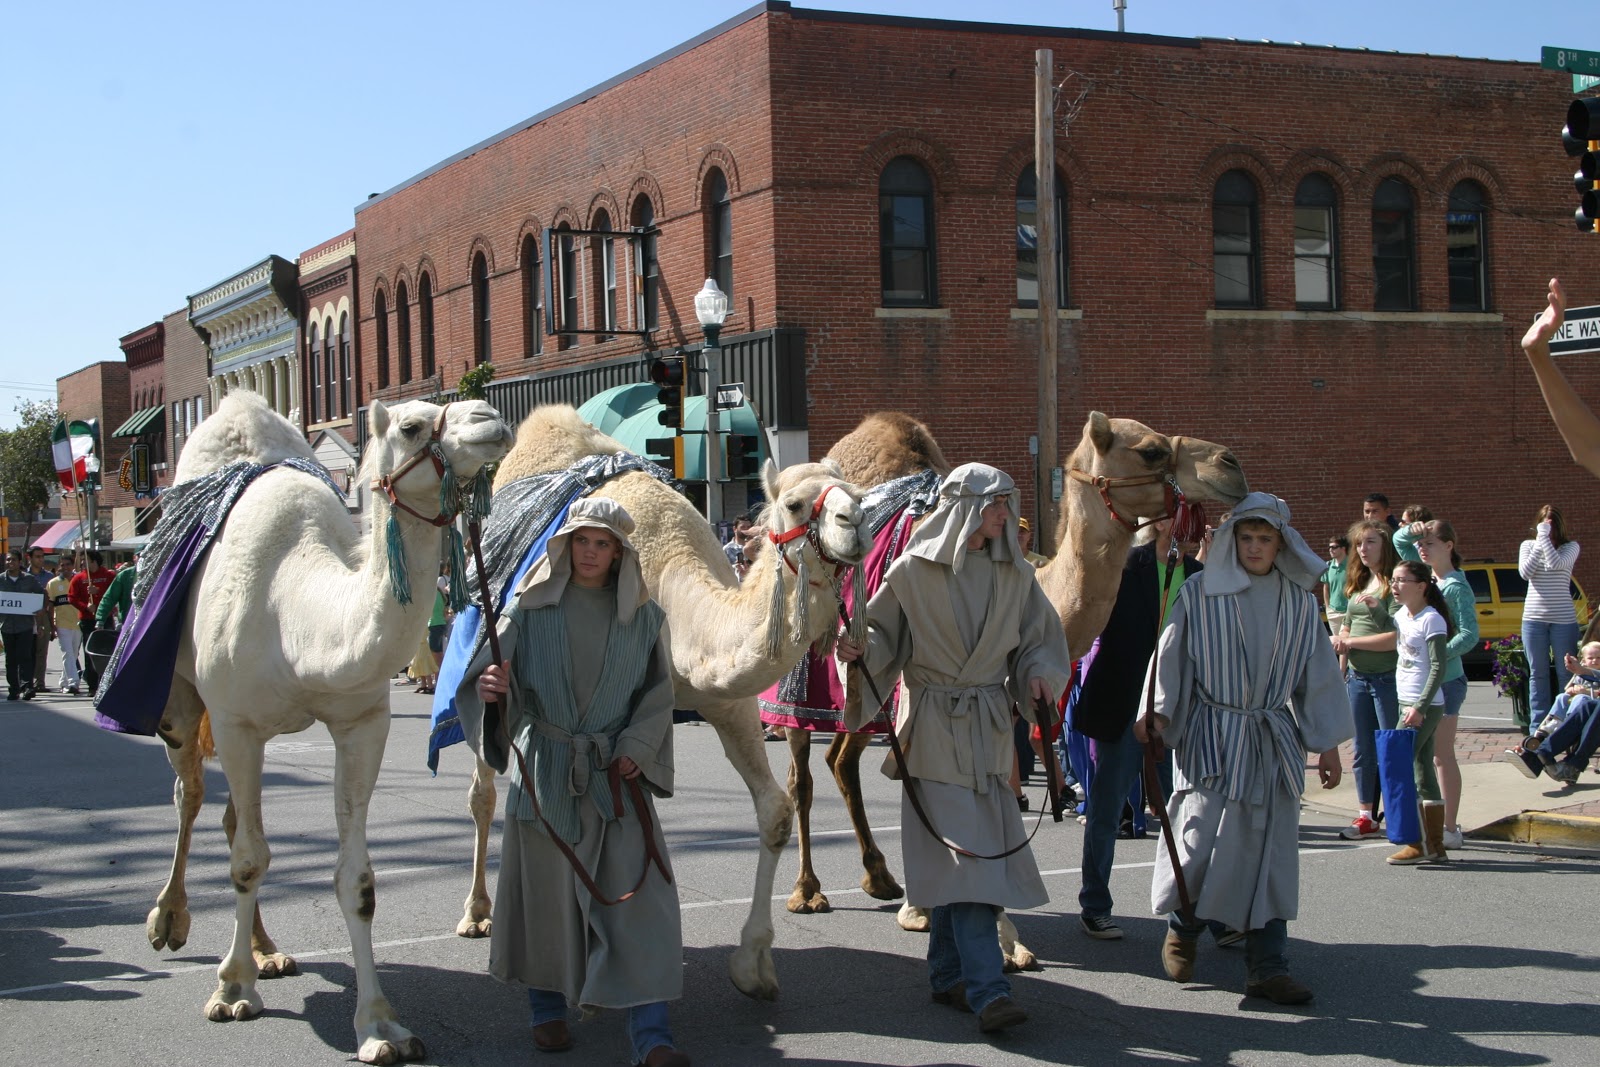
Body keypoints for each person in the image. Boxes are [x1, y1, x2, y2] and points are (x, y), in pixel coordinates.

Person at [835, 463, 1071, 1034]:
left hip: (989, 731)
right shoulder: (911, 572)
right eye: (995, 503)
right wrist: (859, 646)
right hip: (935, 730)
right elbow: (883, 636)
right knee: (968, 861)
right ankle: (990, 992)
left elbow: (1037, 642)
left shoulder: (1017, 576)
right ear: (963, 505)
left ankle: (947, 975)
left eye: (1006, 503)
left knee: (961, 859)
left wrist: (1038, 675)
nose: (1005, 514)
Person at [456, 498, 687, 1067]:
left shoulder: (644, 617)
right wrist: (491, 689)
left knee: (643, 905)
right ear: (566, 546)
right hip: (546, 777)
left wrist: (636, 746)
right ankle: (546, 1013)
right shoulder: (525, 611)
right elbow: (489, 679)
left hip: (615, 778)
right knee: (547, 904)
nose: (590, 552)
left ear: (619, 552)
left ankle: (651, 1037)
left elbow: (659, 697)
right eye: (582, 540)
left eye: (602, 543)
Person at [1138, 494, 1350, 1005]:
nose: (1256, 547)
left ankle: (1267, 966)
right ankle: (1182, 929)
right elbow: (1172, 657)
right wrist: (1157, 715)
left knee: (1270, 856)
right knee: (1198, 844)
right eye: (1247, 538)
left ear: (1281, 544)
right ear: (1233, 540)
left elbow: (1317, 677)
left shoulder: (1300, 603)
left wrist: (1327, 746)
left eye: (1266, 539)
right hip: (1211, 737)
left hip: (1271, 742)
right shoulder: (1199, 592)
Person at [1074, 515, 1200, 941]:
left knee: (1185, 814)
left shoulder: (1203, 576)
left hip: (1180, 712)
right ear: (1160, 522)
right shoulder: (1127, 565)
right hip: (1125, 705)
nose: (1182, 525)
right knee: (1107, 811)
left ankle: (1191, 908)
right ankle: (1095, 904)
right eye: (1174, 516)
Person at [1393, 520, 1478, 849]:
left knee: (1440, 756)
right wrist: (1413, 530)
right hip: (1418, 684)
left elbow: (1469, 634)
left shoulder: (1455, 585)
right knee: (1424, 759)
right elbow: (1399, 543)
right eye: (1421, 543)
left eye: (1429, 542)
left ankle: (1449, 828)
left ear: (1448, 546)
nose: (1422, 548)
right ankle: (1434, 833)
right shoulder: (1422, 578)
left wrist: (1436, 655)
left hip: (1446, 680)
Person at [1330, 521, 1399, 840]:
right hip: (1357, 678)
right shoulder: (1356, 585)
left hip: (1387, 678)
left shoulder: (1394, 585)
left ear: (1384, 546)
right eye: (1359, 544)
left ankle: (1399, 813)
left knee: (1391, 748)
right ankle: (1365, 815)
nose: (1363, 549)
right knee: (1362, 750)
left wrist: (1353, 642)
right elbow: (1347, 629)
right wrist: (1342, 657)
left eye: (1370, 542)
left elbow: (1397, 638)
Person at [1385, 559, 1454, 865]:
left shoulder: (1432, 619)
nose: (1395, 586)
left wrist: (1420, 707)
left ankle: (1417, 843)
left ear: (1421, 586)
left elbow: (1438, 667)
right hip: (1406, 701)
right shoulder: (1401, 615)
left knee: (1397, 764)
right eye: (1393, 580)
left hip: (1423, 704)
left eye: (1401, 581)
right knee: (1422, 768)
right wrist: (1375, 606)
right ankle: (1435, 845)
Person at [1518, 505, 1580, 728]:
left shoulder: (1570, 547)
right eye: (1544, 525)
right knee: (1538, 674)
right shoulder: (1528, 545)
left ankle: (1567, 724)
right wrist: (1539, 541)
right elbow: (1525, 573)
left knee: (1566, 673)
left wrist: (1544, 538)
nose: (1548, 530)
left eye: (1552, 526)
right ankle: (1538, 727)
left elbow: (1555, 564)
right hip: (1534, 619)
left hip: (1563, 619)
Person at [67, 550, 115, 695]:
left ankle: (107, 683)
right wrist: (85, 606)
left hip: (105, 618)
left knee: (107, 652)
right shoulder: (78, 578)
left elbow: (113, 595)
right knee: (90, 653)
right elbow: (72, 598)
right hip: (87, 620)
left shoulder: (109, 576)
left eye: (85, 560)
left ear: (94, 561)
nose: (82, 563)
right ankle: (92, 686)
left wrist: (98, 592)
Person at [1, 550, 46, 701]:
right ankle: (14, 689)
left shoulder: (29, 579)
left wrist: (41, 609)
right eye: (8, 560)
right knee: (10, 660)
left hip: (25, 626)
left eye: (13, 560)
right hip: (7, 626)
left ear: (19, 562)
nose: (10, 563)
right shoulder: (1, 579)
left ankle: (27, 687)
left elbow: (42, 594)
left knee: (25, 658)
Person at [44, 562, 82, 695]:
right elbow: (50, 606)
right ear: (59, 567)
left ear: (73, 566)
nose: (66, 568)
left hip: (78, 623)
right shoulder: (53, 583)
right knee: (68, 653)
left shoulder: (79, 580)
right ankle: (73, 682)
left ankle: (63, 681)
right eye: (63, 565)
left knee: (74, 654)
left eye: (68, 565)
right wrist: (52, 624)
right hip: (61, 623)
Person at [26, 547, 53, 692]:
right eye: (37, 557)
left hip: (44, 617)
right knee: (27, 651)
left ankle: (40, 683)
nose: (40, 559)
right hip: (27, 618)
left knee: (42, 652)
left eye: (42, 556)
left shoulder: (49, 577)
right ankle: (26, 682)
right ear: (29, 558)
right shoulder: (24, 576)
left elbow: (51, 600)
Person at [96, 556, 138, 630]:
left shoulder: (158, 574)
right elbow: (110, 597)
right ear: (134, 558)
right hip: (128, 621)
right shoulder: (125, 575)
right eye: (140, 555)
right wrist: (100, 619)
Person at [1321, 535, 1349, 633]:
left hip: (1348, 611)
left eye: (1334, 547)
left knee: (1348, 642)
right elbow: (1326, 588)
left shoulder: (1352, 565)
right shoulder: (1328, 566)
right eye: (1329, 547)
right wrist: (1328, 608)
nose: (1330, 550)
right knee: (1337, 644)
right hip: (1333, 611)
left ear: (1343, 548)